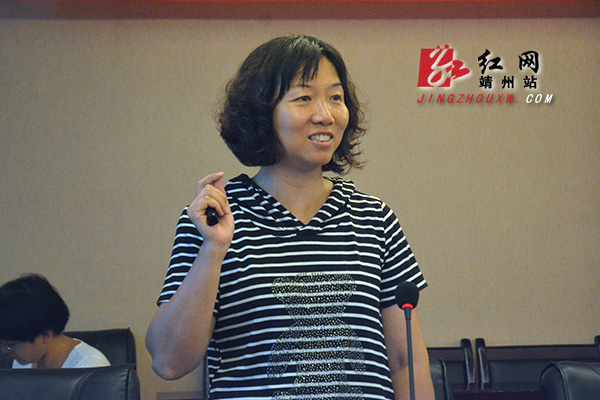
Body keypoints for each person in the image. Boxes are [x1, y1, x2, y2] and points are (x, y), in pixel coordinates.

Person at [146, 34, 435, 399]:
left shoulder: (374, 219)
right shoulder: (215, 217)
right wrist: (213, 251)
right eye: (303, 98)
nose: (325, 115)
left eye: (335, 98)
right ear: (261, 112)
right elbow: (169, 362)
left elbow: (406, 362)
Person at [0, 274, 110, 369]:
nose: (3, 351)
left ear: (45, 336)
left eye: (10, 345)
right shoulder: (23, 362)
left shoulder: (90, 367)